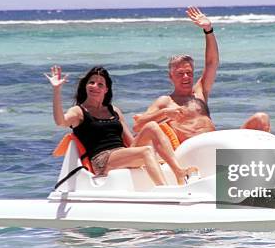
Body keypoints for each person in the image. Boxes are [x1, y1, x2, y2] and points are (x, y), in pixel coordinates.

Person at [133, 6, 271, 143]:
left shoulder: (200, 92)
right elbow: (138, 126)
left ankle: (263, 162)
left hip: (216, 145)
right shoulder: (166, 101)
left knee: (261, 119)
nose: (186, 77)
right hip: (193, 151)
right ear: (171, 77)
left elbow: (212, 62)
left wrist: (208, 30)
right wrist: (163, 113)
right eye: (180, 73)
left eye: (189, 73)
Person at [45, 65, 197, 186]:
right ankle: (163, 191)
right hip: (102, 160)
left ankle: (178, 172)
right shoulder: (78, 112)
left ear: (106, 89)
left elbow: (131, 143)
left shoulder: (114, 110)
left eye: (100, 84)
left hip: (122, 153)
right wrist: (56, 90)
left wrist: (163, 118)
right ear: (85, 86)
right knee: (146, 151)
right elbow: (60, 121)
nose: (95, 86)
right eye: (91, 82)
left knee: (151, 126)